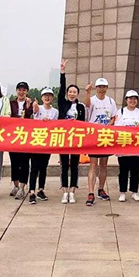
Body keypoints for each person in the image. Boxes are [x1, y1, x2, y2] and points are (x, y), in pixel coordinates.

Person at [84, 78, 117, 206]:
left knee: (104, 164)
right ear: (96, 88)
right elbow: (87, 105)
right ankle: (90, 192)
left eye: (104, 86)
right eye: (99, 86)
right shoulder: (92, 99)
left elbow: (114, 117)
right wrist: (87, 92)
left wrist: (110, 123)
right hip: (94, 136)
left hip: (105, 136)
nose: (102, 89)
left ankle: (101, 189)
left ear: (107, 88)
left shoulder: (111, 101)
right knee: (93, 165)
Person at [58, 59, 86, 204]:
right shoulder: (63, 103)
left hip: (76, 140)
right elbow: (61, 88)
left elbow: (84, 124)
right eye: (70, 92)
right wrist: (62, 72)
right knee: (64, 166)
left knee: (75, 166)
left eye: (74, 92)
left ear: (77, 94)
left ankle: (73, 191)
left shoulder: (81, 107)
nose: (72, 94)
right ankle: (65, 191)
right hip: (64, 139)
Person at [28, 87, 58, 204]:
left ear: (52, 98)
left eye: (49, 95)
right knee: (34, 168)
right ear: (42, 98)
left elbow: (55, 126)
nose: (47, 97)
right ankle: (32, 192)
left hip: (47, 142)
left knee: (43, 167)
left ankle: (41, 190)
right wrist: (34, 105)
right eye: (45, 95)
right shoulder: (38, 108)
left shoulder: (55, 111)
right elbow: (35, 111)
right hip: (37, 141)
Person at [114, 90, 139, 202]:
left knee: (135, 171)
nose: (132, 101)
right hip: (123, 147)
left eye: (135, 99)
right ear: (126, 100)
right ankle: (122, 192)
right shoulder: (121, 112)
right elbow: (117, 127)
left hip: (136, 147)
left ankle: (134, 192)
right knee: (123, 171)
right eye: (130, 99)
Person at [9, 82, 33, 200]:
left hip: (26, 138)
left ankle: (22, 188)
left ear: (27, 91)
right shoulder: (11, 103)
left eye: (24, 90)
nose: (21, 92)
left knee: (24, 163)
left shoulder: (31, 104)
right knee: (14, 162)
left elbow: (31, 117)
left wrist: (28, 107)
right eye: (19, 90)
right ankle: (16, 185)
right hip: (13, 137)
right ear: (16, 91)